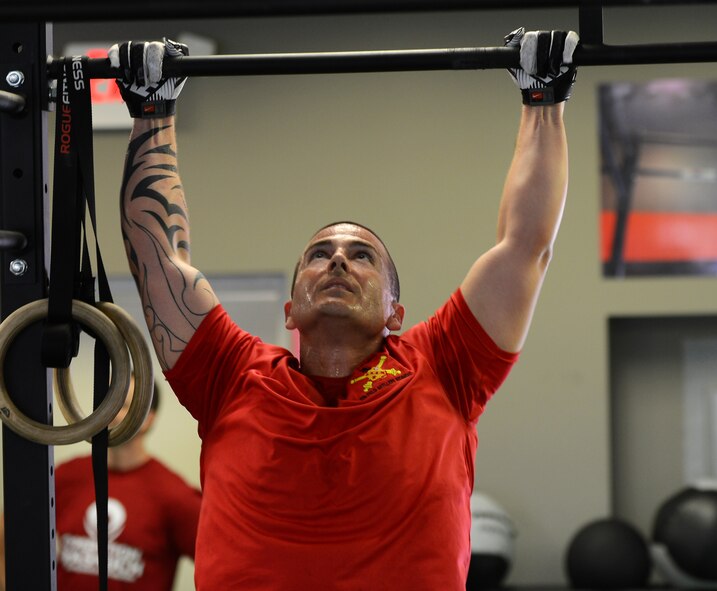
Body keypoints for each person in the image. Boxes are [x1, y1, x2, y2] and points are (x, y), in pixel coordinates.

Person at [111, 28, 577, 590]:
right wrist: (151, 111)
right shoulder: (232, 376)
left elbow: (527, 245)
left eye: (362, 256)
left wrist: (543, 101)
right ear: (289, 310)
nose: (337, 261)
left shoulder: (446, 366)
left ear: (395, 313)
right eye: (319, 255)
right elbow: (155, 257)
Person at [0, 380, 202, 590]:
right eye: (108, 405)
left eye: (123, 406)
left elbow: (221, 559)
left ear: (148, 419)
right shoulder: (67, 476)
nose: (111, 415)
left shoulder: (173, 495)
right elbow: (7, 533)